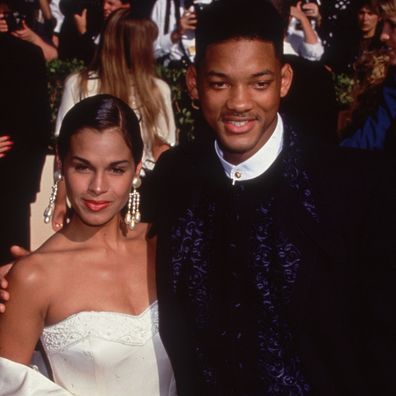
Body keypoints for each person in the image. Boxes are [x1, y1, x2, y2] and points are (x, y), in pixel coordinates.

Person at [148, 0, 396, 394]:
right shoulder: (176, 176)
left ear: (284, 80)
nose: (240, 103)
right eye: (219, 83)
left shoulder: (355, 185)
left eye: (259, 83)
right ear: (193, 83)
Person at [0, 94, 176, 396]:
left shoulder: (164, 245)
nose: (97, 187)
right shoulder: (32, 276)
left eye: (116, 169)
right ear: (62, 163)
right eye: (83, 167)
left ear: (136, 170)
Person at [0, 10, 51, 264]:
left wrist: (25, 190)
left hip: (10, 193)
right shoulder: (26, 56)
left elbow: (38, 128)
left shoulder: (26, 56)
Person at [341, 0, 396, 152]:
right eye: (384, 24)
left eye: (393, 26)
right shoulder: (392, 82)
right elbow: (372, 135)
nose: (383, 36)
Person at [151, 0, 213, 67]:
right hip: (172, 70)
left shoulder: (220, 5)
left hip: (207, 70)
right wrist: (176, 34)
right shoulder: (163, 4)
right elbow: (150, 52)